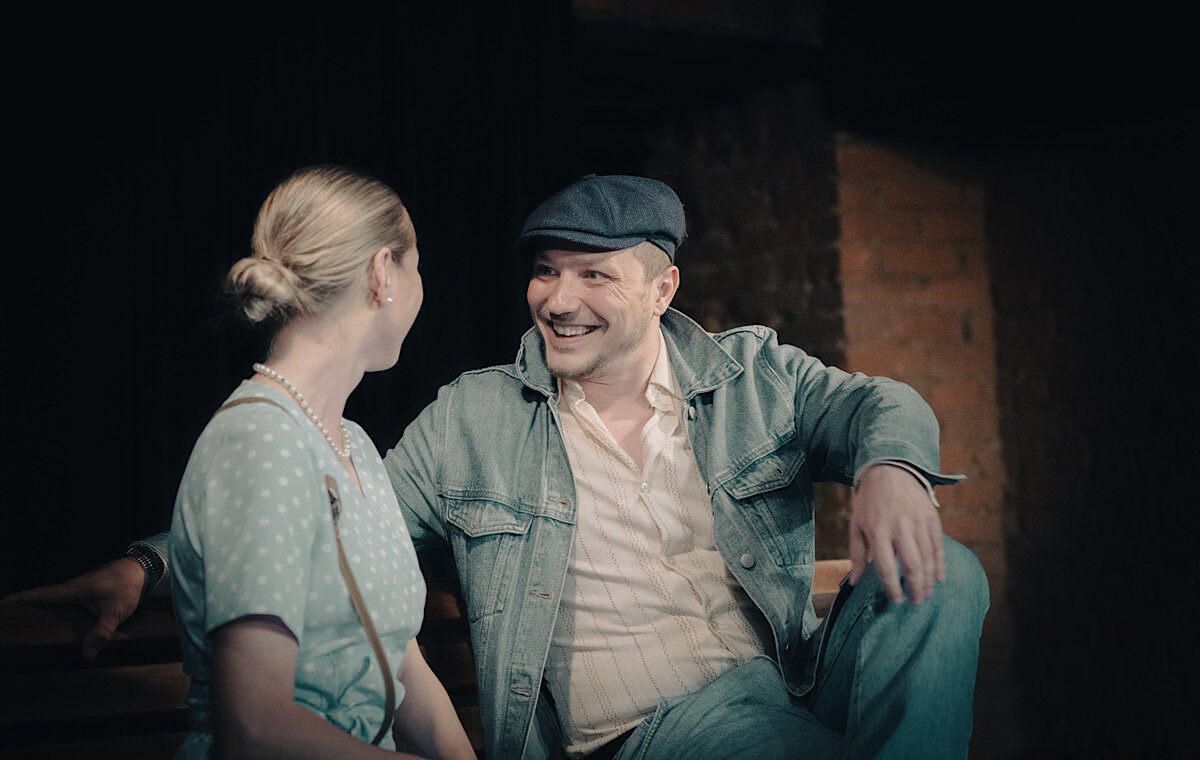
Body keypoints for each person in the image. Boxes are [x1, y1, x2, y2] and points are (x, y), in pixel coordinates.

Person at [7, 174, 988, 759]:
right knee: (763, 732)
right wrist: (150, 559)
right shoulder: (473, 420)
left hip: (789, 683)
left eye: (594, 273)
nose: (557, 298)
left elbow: (876, 405)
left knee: (950, 576)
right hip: (649, 726)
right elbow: (323, 505)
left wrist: (892, 468)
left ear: (663, 288)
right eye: (546, 269)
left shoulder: (752, 375)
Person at [138, 166, 474, 759]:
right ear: (382, 274)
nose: (422, 288)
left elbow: (402, 662)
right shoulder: (258, 440)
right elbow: (256, 729)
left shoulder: (356, 446)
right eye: (416, 265)